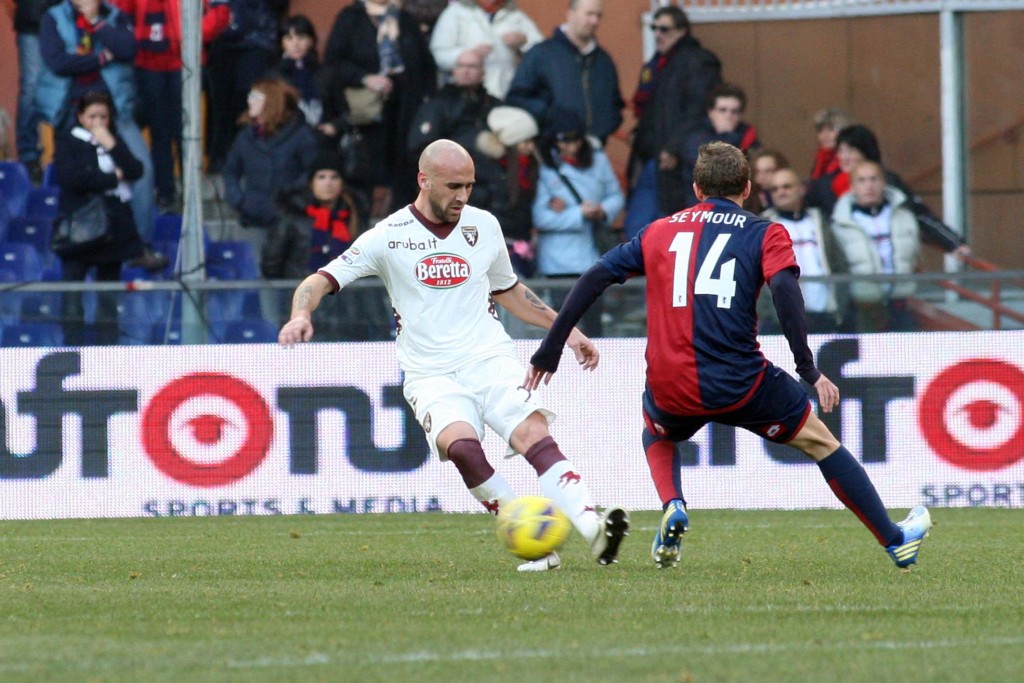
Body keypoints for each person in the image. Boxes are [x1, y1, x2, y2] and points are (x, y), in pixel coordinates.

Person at [526, 141, 932, 572]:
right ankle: (894, 540)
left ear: (698, 188)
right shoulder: (764, 231)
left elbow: (596, 275)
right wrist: (807, 368)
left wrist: (552, 347)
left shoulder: (660, 230)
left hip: (672, 384)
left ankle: (674, 504)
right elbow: (786, 290)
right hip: (742, 382)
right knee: (821, 443)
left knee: (657, 434)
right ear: (749, 187)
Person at [278, 139, 630, 572]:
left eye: (469, 186)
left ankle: (594, 529)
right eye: (453, 186)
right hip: (430, 373)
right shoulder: (388, 236)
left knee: (531, 434)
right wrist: (299, 315)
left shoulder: (483, 226)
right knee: (462, 448)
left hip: (489, 357)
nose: (462, 196)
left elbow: (510, 290)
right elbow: (319, 280)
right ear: (424, 181)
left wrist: (566, 330)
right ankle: (533, 539)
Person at [38, 0, 156, 243]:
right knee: (77, 181)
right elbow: (58, 62)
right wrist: (101, 59)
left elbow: (127, 49)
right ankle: (77, 242)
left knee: (143, 173)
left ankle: (141, 246)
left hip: (116, 114)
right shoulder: (53, 18)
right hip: (71, 115)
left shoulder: (115, 17)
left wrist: (97, 22)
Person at [114, 0, 230, 212]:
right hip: (146, 61)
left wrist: (193, 34)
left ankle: (191, 191)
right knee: (160, 131)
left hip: (184, 61)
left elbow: (220, 11)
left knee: (186, 130)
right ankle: (165, 191)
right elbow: (118, 11)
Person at [323, 0, 436, 215]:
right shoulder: (351, 17)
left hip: (405, 110)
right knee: (365, 172)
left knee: (403, 169)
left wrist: (424, 101)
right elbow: (334, 62)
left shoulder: (405, 19)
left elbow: (425, 64)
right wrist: (364, 78)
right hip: (366, 112)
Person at [53, 90, 147, 344]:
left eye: (103, 117)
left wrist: (111, 145)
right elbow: (72, 178)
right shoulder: (68, 141)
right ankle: (73, 348)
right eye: (92, 116)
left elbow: (136, 169)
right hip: (79, 231)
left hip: (111, 232)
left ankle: (107, 350)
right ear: (81, 117)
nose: (97, 122)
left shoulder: (113, 140)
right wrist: (111, 178)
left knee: (108, 299)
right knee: (72, 299)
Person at [624, 4, 720, 238]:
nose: (658, 34)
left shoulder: (698, 62)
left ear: (682, 31)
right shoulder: (656, 64)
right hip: (651, 157)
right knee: (639, 230)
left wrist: (673, 147)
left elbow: (698, 110)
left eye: (664, 29)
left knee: (669, 228)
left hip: (677, 162)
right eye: (654, 28)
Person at [806, 123, 970, 257]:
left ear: (866, 152)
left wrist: (952, 242)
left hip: (887, 264)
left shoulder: (889, 182)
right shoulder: (825, 185)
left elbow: (919, 213)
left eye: (851, 150)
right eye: (841, 151)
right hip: (845, 267)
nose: (844, 157)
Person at [533, 108, 623, 336]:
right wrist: (578, 213)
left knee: (594, 327)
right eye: (563, 141)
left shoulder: (598, 160)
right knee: (560, 328)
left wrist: (601, 210)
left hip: (592, 255)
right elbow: (540, 217)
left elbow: (616, 195)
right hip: (558, 261)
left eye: (575, 140)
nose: (570, 147)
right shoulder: (545, 166)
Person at [221, 76, 317, 263]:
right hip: (254, 218)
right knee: (259, 278)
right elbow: (230, 171)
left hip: (291, 221)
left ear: (271, 101)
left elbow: (312, 173)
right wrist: (238, 200)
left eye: (256, 97)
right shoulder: (245, 136)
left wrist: (290, 200)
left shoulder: (301, 135)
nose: (249, 100)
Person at [505, 0, 623, 145]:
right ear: (571, 14)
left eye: (599, 16)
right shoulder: (541, 54)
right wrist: (550, 115)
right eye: (589, 14)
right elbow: (516, 97)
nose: (594, 21)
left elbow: (616, 103)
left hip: (595, 150)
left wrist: (605, 127)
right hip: (551, 149)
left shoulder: (604, 61)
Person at [830, 160, 920, 333]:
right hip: (862, 307)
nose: (869, 185)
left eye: (874, 179)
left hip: (900, 303)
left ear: (883, 182)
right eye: (861, 180)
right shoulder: (840, 223)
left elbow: (914, 254)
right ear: (852, 186)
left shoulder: (904, 216)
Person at [204, 0, 290, 173]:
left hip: (257, 39)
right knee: (219, 102)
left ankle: (248, 159)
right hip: (219, 37)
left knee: (249, 100)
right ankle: (219, 159)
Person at [761, 166, 847, 333]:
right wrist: (769, 313)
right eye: (775, 189)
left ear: (801, 189)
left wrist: (839, 307)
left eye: (786, 186)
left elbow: (839, 266)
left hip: (824, 317)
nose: (781, 192)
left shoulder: (820, 221)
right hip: (780, 322)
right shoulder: (761, 227)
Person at [472, 105, 540, 278]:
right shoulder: (486, 171)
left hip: (522, 243)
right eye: (526, 142)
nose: (531, 147)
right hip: (498, 246)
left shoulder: (530, 168)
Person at [429, 0, 543, 100]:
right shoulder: (455, 13)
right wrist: (468, 56)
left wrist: (523, 41)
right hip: (463, 93)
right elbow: (439, 53)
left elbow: (543, 52)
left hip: (504, 89)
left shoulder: (515, 15)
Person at [678, 83, 760, 208]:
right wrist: (727, 135)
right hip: (697, 205)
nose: (728, 116)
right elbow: (713, 164)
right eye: (722, 110)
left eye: (735, 111)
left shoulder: (748, 135)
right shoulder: (696, 135)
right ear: (711, 112)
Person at [406, 48, 500, 158]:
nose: (465, 71)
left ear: (483, 72)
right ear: (454, 71)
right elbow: (421, 145)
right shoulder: (437, 104)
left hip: (491, 170)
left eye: (472, 66)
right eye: (460, 66)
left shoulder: (494, 105)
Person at [13, 0, 62, 183]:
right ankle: (29, 156)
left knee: (63, 89)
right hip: (31, 22)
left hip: (63, 21)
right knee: (31, 88)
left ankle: (64, 154)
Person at [272, 14, 322, 127]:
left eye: (301, 37)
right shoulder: (274, 75)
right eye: (289, 38)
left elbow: (341, 111)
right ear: (282, 43)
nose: (295, 44)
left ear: (311, 41)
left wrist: (332, 126)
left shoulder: (324, 73)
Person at [809, 107, 851, 181]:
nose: (825, 135)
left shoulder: (850, 160)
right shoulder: (819, 160)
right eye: (820, 131)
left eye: (831, 129)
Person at [745, 148, 789, 214]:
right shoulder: (747, 199)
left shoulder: (792, 193)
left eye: (768, 171)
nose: (762, 176)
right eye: (758, 172)